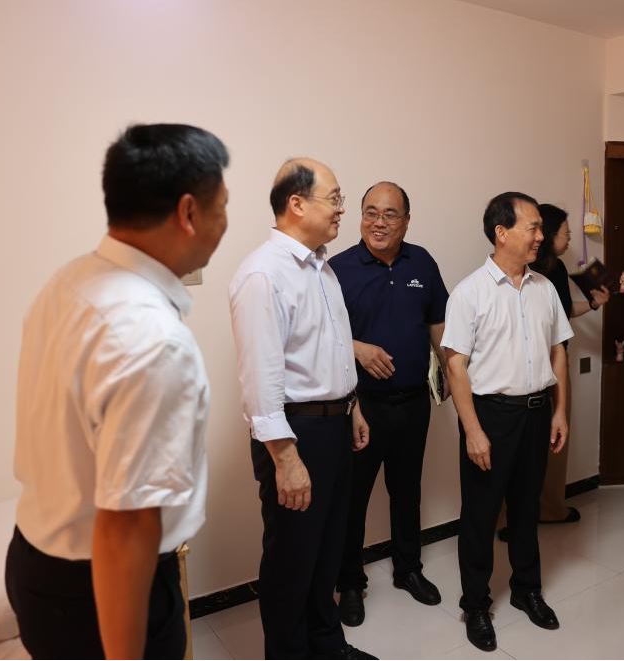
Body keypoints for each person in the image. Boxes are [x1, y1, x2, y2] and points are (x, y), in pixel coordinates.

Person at [6, 124, 229, 660]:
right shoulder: (152, 340)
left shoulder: (68, 282)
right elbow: (126, 526)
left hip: (38, 563)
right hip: (103, 591)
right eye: (222, 206)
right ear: (188, 213)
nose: (225, 222)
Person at [229, 158, 376, 660]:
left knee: (327, 550)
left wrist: (352, 406)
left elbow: (329, 352)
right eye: (334, 198)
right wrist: (285, 458)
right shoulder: (263, 274)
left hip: (334, 425)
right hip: (295, 435)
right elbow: (261, 379)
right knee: (292, 560)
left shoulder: (321, 268)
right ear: (296, 204)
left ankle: (327, 645)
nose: (341, 209)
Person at [441, 192, 573, 652]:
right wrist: (473, 431)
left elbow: (558, 351)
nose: (540, 236)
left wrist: (559, 410)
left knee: (526, 507)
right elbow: (455, 366)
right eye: (533, 227)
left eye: (540, 228)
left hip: (537, 412)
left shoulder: (544, 288)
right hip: (491, 416)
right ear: (502, 233)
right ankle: (475, 604)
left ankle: (526, 589)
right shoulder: (469, 292)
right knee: (480, 514)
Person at [329, 181, 450, 626]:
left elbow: (438, 324)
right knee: (353, 499)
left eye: (390, 214)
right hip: (359, 408)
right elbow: (319, 334)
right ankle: (350, 582)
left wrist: (451, 370)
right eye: (370, 212)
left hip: (413, 402)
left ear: (406, 221)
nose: (378, 223)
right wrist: (356, 348)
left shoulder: (423, 262)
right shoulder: (337, 269)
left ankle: (408, 569)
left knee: (407, 491)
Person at [497, 203, 608, 541]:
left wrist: (593, 303)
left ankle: (548, 508)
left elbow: (561, 314)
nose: (568, 238)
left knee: (555, 438)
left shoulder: (555, 270)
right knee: (516, 444)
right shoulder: (521, 270)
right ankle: (514, 516)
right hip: (523, 367)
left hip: (555, 361)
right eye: (564, 232)